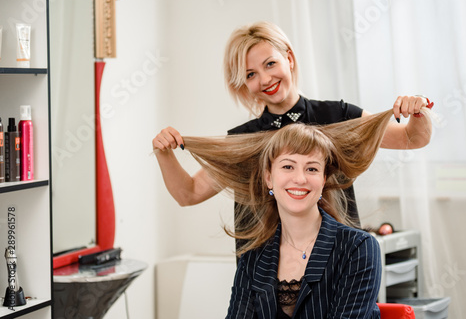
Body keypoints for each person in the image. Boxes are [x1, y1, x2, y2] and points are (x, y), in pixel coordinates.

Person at [152, 21, 433, 230]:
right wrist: (164, 153)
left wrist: (417, 109)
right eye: (251, 74)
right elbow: (188, 194)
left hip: (337, 266)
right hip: (263, 280)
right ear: (243, 84)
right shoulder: (241, 142)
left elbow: (412, 139)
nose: (264, 79)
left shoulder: (340, 116)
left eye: (270, 63)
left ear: (289, 58)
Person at [177, 108, 414, 318]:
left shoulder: (358, 248)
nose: (300, 179)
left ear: (323, 180)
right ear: (269, 178)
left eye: (311, 168)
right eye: (288, 166)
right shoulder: (253, 258)